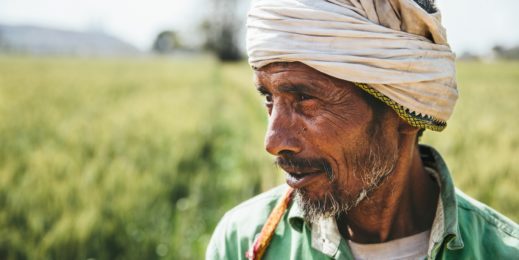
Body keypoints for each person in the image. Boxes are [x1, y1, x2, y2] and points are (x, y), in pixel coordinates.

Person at [206, 0, 519, 259]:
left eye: (305, 99)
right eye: (269, 98)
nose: (273, 142)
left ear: (405, 112)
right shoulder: (242, 242)